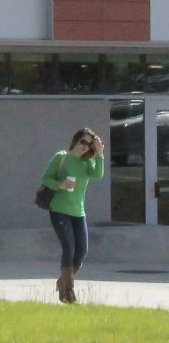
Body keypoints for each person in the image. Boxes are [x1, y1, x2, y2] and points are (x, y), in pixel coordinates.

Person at [40, 127, 105, 304]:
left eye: (89, 144)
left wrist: (99, 154)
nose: (85, 146)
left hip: (78, 212)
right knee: (69, 247)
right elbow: (45, 179)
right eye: (82, 142)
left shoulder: (87, 163)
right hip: (59, 210)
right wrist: (60, 185)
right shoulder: (61, 157)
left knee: (82, 251)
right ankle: (68, 293)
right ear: (75, 141)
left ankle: (63, 281)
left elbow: (98, 174)